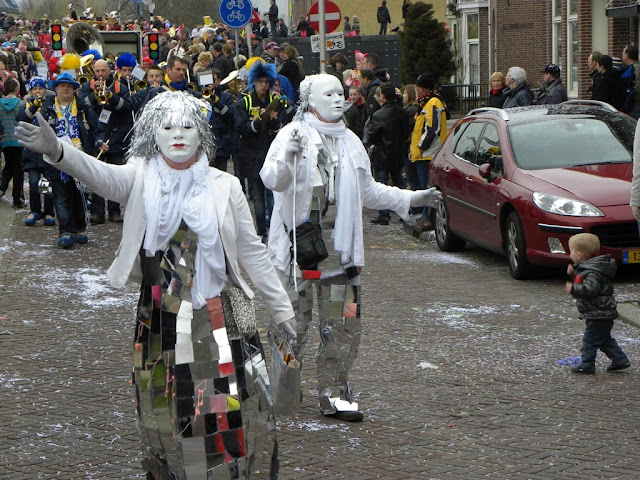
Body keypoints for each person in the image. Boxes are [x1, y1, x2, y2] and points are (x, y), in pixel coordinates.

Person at [16, 91, 296, 479]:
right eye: (167, 127)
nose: (178, 135)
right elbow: (100, 175)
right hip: (161, 307)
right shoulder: (139, 175)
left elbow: (252, 252)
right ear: (153, 134)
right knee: (161, 404)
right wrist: (59, 151)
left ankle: (215, 473)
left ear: (202, 134)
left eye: (187, 126)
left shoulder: (226, 185)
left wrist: (281, 308)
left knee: (222, 404)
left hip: (221, 307)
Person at [260, 74, 441, 422]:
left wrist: (411, 197)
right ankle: (282, 397)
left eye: (340, 93)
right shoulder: (290, 135)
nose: (336, 98)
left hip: (341, 256)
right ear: (310, 100)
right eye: (327, 93)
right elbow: (272, 181)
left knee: (344, 329)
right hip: (298, 255)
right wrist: (289, 159)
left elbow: (369, 191)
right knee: (289, 327)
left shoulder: (351, 141)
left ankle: (335, 395)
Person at [34, 72, 105, 248]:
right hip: (56, 158)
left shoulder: (83, 108)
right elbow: (39, 133)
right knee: (61, 196)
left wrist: (99, 143)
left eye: (69, 86)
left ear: (74, 89)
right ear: (56, 88)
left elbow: (97, 129)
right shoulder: (47, 109)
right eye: (62, 85)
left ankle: (80, 229)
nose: (65, 88)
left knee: (80, 195)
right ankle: (65, 231)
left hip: (80, 156)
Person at [78, 58, 134, 224]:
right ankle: (97, 212)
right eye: (97, 71)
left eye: (103, 71)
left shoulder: (119, 87)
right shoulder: (87, 87)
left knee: (114, 176)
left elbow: (129, 106)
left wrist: (111, 97)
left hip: (116, 136)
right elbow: (81, 105)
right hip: (95, 136)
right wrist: (94, 96)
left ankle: (114, 211)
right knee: (97, 176)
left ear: (109, 70)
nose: (101, 74)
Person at [565, 233, 630, 375]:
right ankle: (620, 360)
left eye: (571, 251)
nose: (570, 255)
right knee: (604, 340)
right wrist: (573, 275)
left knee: (589, 342)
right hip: (600, 312)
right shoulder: (591, 269)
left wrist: (573, 289)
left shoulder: (593, 272)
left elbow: (590, 289)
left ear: (579, 254)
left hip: (599, 314)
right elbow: (584, 281)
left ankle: (587, 365)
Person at [234, 61, 284, 244]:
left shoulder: (276, 102)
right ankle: (261, 230)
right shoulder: (244, 102)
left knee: (272, 193)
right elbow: (239, 127)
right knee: (257, 196)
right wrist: (255, 124)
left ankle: (274, 229)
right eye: (260, 81)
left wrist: (273, 121)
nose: (264, 85)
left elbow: (281, 125)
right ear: (254, 82)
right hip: (251, 154)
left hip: (271, 153)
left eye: (266, 81)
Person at [367, 82, 409, 225]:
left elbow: (372, 135)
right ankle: (404, 211)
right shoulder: (403, 113)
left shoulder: (378, 115)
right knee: (399, 182)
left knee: (382, 185)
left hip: (383, 153)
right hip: (398, 152)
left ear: (383, 96)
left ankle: (384, 214)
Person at [410, 73, 448, 229]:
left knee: (427, 187)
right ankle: (426, 217)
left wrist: (420, 147)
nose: (416, 91)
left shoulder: (432, 102)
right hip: (423, 154)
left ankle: (428, 218)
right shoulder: (426, 103)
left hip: (428, 154)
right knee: (424, 186)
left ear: (423, 88)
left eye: (418, 88)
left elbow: (432, 128)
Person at [20, 77, 57, 227]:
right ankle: (34, 210)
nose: (37, 92)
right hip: (31, 150)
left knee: (47, 183)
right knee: (34, 182)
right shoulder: (26, 106)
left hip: (46, 150)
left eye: (40, 89)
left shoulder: (49, 104)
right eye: (35, 89)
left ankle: (48, 212)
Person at [0, 77, 25, 207]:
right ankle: (17, 198)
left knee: (9, 165)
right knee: (18, 170)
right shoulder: (21, 104)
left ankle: (2, 187)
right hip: (19, 141)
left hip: (5, 140)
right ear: (16, 89)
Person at [621, 45, 640, 118]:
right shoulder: (628, 68)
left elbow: (637, 86)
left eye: (623, 53)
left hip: (635, 104)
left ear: (627, 56)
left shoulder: (636, 68)